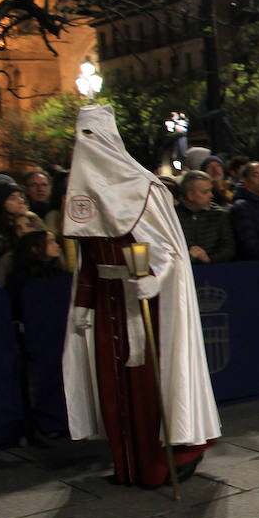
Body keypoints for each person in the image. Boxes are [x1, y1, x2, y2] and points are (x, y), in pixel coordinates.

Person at [61, 104, 220, 488]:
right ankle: (128, 466)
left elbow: (169, 251)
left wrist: (155, 278)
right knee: (113, 390)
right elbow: (87, 258)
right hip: (106, 305)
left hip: (146, 305)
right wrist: (83, 303)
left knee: (152, 388)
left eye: (92, 136)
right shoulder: (81, 192)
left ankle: (167, 462)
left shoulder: (144, 188)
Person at [175, 171, 236, 264]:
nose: (211, 195)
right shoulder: (173, 217)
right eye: (205, 192)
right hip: (183, 271)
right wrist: (189, 256)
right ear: (190, 195)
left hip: (214, 269)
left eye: (210, 190)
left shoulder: (219, 214)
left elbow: (228, 248)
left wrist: (209, 259)